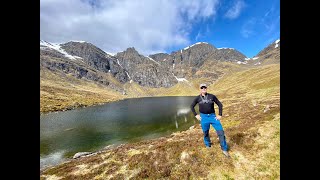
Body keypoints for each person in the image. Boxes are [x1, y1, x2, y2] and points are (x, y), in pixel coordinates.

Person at [190, 83, 229, 157]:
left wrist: (220, 114)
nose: (203, 89)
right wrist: (196, 115)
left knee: (220, 131)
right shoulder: (197, 98)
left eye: (205, 87)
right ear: (200, 89)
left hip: (213, 116)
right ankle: (208, 145)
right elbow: (191, 106)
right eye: (202, 88)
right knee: (206, 133)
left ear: (206, 88)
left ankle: (224, 149)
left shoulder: (212, 96)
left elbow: (220, 104)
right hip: (203, 117)